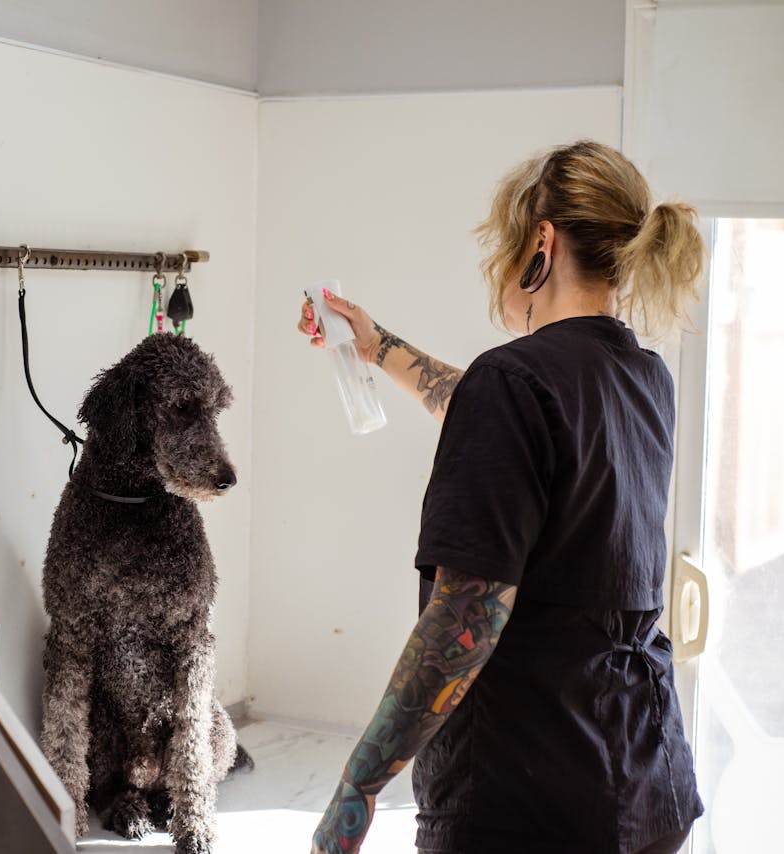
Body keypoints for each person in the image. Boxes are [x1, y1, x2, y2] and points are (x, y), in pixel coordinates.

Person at [299, 140, 705, 854]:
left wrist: (355, 793)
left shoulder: (513, 383)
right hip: (647, 782)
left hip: (530, 802)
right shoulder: (643, 377)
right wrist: (378, 345)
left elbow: (465, 615)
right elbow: (511, 419)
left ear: (540, 244)